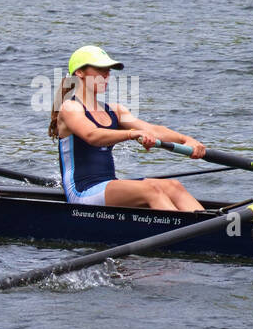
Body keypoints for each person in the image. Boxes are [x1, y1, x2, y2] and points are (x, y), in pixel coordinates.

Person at [49, 45, 207, 210]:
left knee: (174, 186)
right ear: (79, 73)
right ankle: (183, 230)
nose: (106, 75)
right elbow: (92, 135)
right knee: (151, 190)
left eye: (108, 70)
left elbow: (152, 130)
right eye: (99, 69)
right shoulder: (70, 107)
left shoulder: (115, 111)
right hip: (82, 192)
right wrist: (132, 134)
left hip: (108, 187)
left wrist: (187, 140)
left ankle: (208, 229)